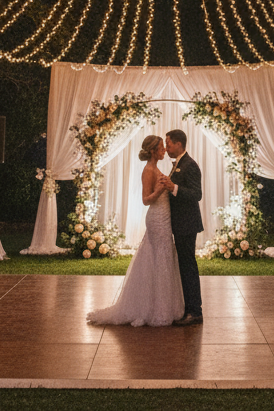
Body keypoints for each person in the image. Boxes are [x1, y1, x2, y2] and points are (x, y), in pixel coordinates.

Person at [86, 135, 184, 328]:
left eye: (165, 147)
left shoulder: (155, 168)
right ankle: (153, 309)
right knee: (157, 257)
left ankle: (162, 305)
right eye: (162, 148)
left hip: (165, 217)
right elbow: (146, 199)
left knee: (162, 258)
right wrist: (160, 188)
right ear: (154, 151)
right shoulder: (148, 170)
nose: (164, 150)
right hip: (156, 218)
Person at [164, 129, 204, 326]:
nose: (166, 148)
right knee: (185, 265)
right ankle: (189, 308)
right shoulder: (179, 164)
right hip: (180, 223)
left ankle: (195, 311)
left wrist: (173, 188)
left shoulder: (190, 165)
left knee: (188, 266)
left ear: (179, 144)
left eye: (168, 144)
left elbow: (197, 195)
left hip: (187, 224)